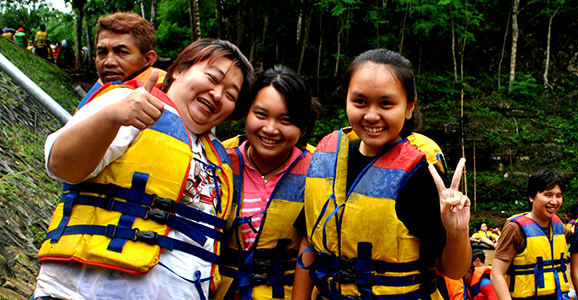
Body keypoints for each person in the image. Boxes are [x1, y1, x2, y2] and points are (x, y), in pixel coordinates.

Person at [33, 39, 254, 300]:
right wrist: (112, 116)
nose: (218, 95)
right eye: (212, 78)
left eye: (230, 95)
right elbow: (61, 165)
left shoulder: (216, 156)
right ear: (178, 71)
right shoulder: (127, 101)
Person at [292, 48, 471, 300]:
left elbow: (454, 270)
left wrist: (457, 231)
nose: (372, 115)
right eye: (360, 102)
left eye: (386, 103)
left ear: (409, 107)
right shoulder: (326, 161)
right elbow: (309, 243)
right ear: (346, 101)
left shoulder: (420, 174)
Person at [213, 65, 320, 300]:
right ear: (246, 113)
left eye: (286, 120)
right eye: (261, 115)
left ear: (303, 127)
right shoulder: (217, 163)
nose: (270, 129)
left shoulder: (318, 174)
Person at [490, 169, 571, 300]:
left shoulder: (557, 225)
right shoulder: (515, 228)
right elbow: (497, 273)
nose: (554, 202)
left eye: (559, 195)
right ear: (531, 196)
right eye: (548, 195)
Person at [76, 12, 167, 111]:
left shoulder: (167, 95)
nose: (109, 62)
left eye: (122, 52)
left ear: (148, 59)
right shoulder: (99, 90)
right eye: (102, 53)